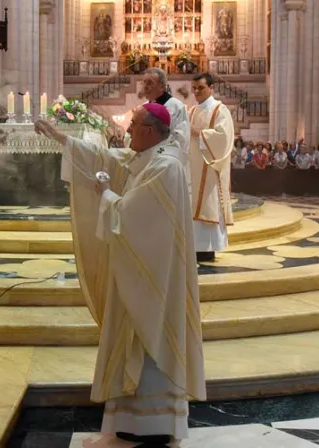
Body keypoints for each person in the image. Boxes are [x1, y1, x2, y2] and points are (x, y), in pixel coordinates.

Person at [33, 103, 206, 445]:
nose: (126, 131)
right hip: (138, 277)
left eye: (133, 125)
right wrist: (60, 138)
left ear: (150, 130)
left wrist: (107, 195)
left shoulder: (166, 167)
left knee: (150, 342)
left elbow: (136, 217)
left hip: (154, 283)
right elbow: (103, 157)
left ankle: (153, 424)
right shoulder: (145, 159)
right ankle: (132, 421)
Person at [187, 72, 234, 262]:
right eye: (194, 88)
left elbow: (224, 139)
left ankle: (207, 249)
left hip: (210, 169)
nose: (197, 92)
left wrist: (200, 134)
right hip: (191, 168)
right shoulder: (192, 111)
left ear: (211, 88)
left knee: (207, 204)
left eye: (201, 88)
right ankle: (195, 247)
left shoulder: (219, 110)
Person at [142, 67, 192, 194]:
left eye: (150, 83)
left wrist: (156, 152)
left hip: (167, 165)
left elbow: (181, 138)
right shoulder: (145, 106)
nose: (145, 87)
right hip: (147, 163)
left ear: (162, 86)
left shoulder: (176, 106)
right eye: (144, 83)